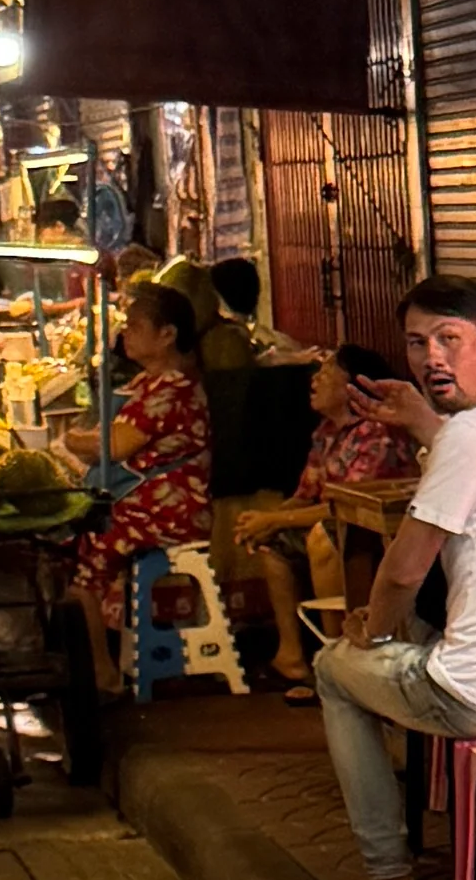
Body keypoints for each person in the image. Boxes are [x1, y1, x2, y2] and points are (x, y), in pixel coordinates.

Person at [305, 275, 476, 880]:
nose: (431, 358)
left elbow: (401, 573)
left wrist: (374, 631)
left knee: (334, 670)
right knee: (431, 635)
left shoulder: (470, 435)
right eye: (417, 344)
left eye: (450, 339)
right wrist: (425, 423)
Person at [225, 330, 427, 691]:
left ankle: (339, 655)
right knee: (275, 546)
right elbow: (307, 495)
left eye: (326, 371)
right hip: (337, 521)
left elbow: (345, 508)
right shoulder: (325, 433)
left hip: (375, 534)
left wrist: (274, 518)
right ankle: (292, 657)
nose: (315, 379)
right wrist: (264, 522)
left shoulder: (376, 434)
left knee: (322, 539)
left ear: (352, 386)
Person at [71, 275, 219, 691]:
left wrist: (73, 440)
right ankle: (106, 655)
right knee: (77, 536)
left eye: (135, 326)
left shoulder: (173, 388)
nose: (125, 334)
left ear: (167, 334)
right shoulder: (146, 383)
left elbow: (115, 444)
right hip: (145, 504)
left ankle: (102, 671)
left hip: (173, 510)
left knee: (85, 546)